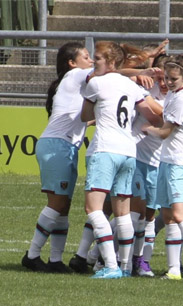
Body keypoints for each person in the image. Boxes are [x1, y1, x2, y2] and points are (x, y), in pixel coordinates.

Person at [81, 41, 162, 279]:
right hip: (128, 152)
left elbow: (85, 116)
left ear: (112, 61)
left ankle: (111, 266)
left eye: (98, 58)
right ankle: (125, 266)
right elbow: (153, 115)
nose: (95, 62)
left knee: (93, 208)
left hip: (105, 149)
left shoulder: (96, 83)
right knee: (123, 211)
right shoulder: (131, 86)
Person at [21, 42, 94, 273]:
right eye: (86, 56)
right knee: (58, 204)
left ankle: (55, 260)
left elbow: (80, 119)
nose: (92, 60)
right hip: (58, 147)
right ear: (72, 63)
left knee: (64, 207)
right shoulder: (75, 75)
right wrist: (142, 70)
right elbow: (106, 71)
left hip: (66, 147)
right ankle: (32, 256)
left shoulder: (75, 83)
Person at [142, 54, 183, 282]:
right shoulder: (174, 95)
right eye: (166, 77)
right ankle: (174, 270)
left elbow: (165, 132)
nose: (168, 82)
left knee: (179, 214)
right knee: (167, 216)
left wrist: (147, 128)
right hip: (167, 161)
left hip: (180, 162)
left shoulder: (182, 98)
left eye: (174, 78)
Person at [130, 54, 169, 277]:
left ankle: (143, 261)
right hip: (136, 158)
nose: (163, 83)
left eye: (167, 79)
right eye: (160, 78)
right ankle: (112, 258)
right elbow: (118, 76)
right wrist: (139, 75)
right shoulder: (144, 90)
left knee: (149, 216)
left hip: (158, 164)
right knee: (131, 213)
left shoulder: (178, 97)